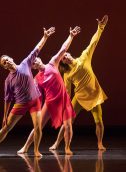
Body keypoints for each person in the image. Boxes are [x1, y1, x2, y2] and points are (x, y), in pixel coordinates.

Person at [0, 27, 55, 157]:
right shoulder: (8, 80)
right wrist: (5, 115)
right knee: (6, 128)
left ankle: (36, 150)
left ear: (11, 58)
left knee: (38, 127)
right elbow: (7, 99)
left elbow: (37, 48)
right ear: (4, 66)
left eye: (7, 59)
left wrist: (45, 37)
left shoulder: (25, 64)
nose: (7, 61)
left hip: (35, 101)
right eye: (4, 62)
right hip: (21, 104)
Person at [17, 26, 81, 155]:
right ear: (34, 67)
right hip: (50, 102)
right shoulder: (36, 78)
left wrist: (71, 36)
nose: (35, 61)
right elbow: (32, 93)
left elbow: (63, 49)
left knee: (68, 125)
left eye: (36, 59)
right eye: (33, 62)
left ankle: (67, 147)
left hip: (63, 100)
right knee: (38, 126)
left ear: (40, 59)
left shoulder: (52, 63)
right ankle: (25, 147)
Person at [49, 15, 108, 150]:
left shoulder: (84, 58)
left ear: (70, 54)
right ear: (63, 62)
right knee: (67, 121)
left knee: (99, 121)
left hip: (94, 95)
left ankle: (99, 143)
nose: (65, 57)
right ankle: (57, 143)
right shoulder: (67, 74)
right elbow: (67, 91)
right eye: (63, 58)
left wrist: (100, 27)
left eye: (66, 55)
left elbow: (93, 42)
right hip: (79, 98)